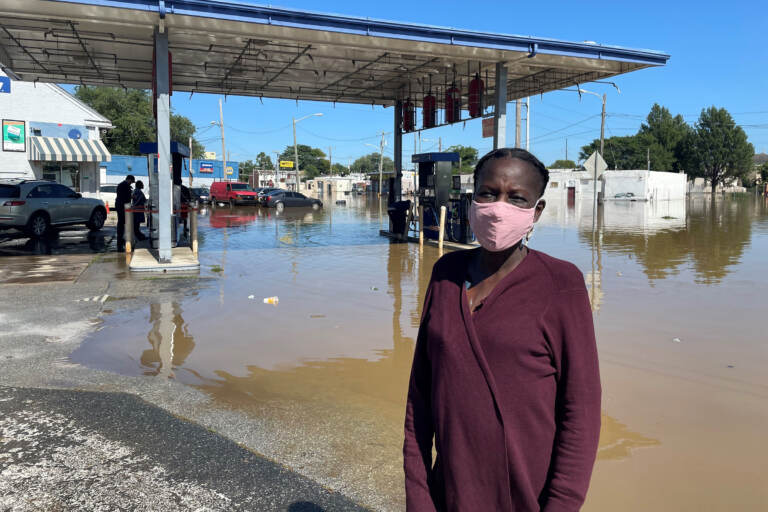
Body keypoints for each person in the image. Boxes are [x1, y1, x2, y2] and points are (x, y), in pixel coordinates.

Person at [403, 148, 601, 511]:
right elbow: (420, 398)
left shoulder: (561, 284)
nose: (498, 207)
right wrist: (418, 495)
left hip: (526, 498)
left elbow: (581, 412)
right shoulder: (445, 273)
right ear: (471, 198)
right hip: (448, 494)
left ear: (536, 211)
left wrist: (561, 505)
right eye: (488, 193)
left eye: (517, 198)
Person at [115, 174, 135, 251]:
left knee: (122, 222)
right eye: (131, 182)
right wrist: (131, 197)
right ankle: (121, 240)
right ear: (129, 179)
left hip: (121, 205)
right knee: (122, 223)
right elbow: (125, 196)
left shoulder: (121, 185)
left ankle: (121, 240)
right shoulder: (124, 185)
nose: (131, 183)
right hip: (122, 206)